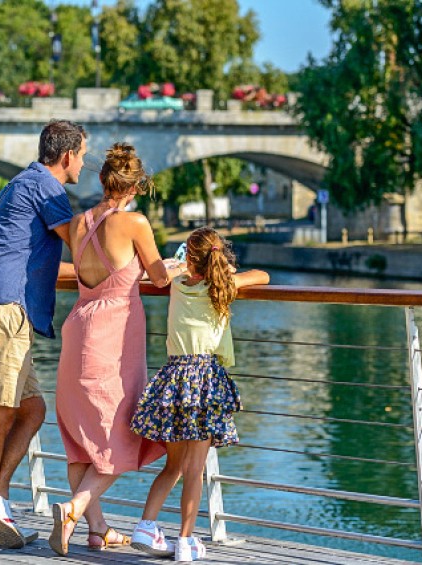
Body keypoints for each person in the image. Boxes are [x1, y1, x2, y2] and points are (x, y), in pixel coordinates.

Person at [48, 142, 187, 556]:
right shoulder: (135, 223)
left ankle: (97, 530)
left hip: (78, 328)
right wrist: (179, 266)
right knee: (120, 435)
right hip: (113, 338)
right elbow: (159, 277)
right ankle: (72, 509)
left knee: (80, 438)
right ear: (136, 186)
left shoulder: (77, 223)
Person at [0, 119, 86, 549]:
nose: (84, 164)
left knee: (31, 410)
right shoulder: (47, 188)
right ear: (68, 155)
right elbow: (81, 245)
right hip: (3, 312)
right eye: (83, 156)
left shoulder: (21, 184)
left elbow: (50, 264)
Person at [129, 227, 269, 562]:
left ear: (189, 257)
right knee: (194, 469)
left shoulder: (176, 285)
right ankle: (187, 541)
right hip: (204, 380)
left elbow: (163, 272)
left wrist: (178, 264)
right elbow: (262, 275)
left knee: (174, 465)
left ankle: (146, 526)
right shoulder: (224, 286)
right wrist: (227, 269)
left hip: (174, 377)